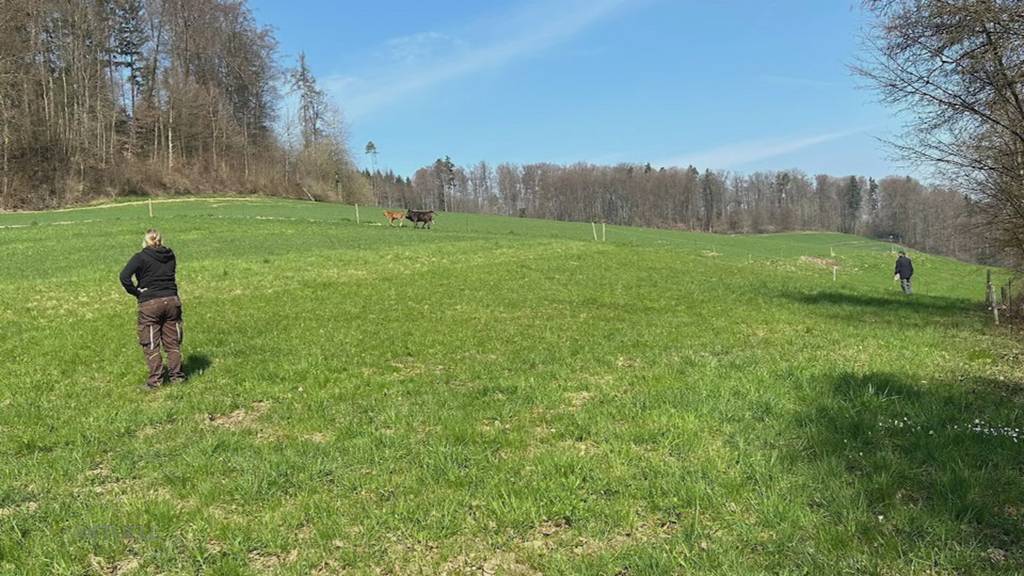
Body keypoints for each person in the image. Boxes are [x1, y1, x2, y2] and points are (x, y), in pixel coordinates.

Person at [119, 229, 185, 390]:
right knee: (172, 342)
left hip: (150, 302)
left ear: (145, 241)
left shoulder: (140, 257)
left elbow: (124, 277)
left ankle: (155, 381)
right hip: (172, 300)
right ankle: (177, 377)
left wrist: (136, 292)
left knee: (150, 342)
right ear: (161, 240)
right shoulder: (170, 255)